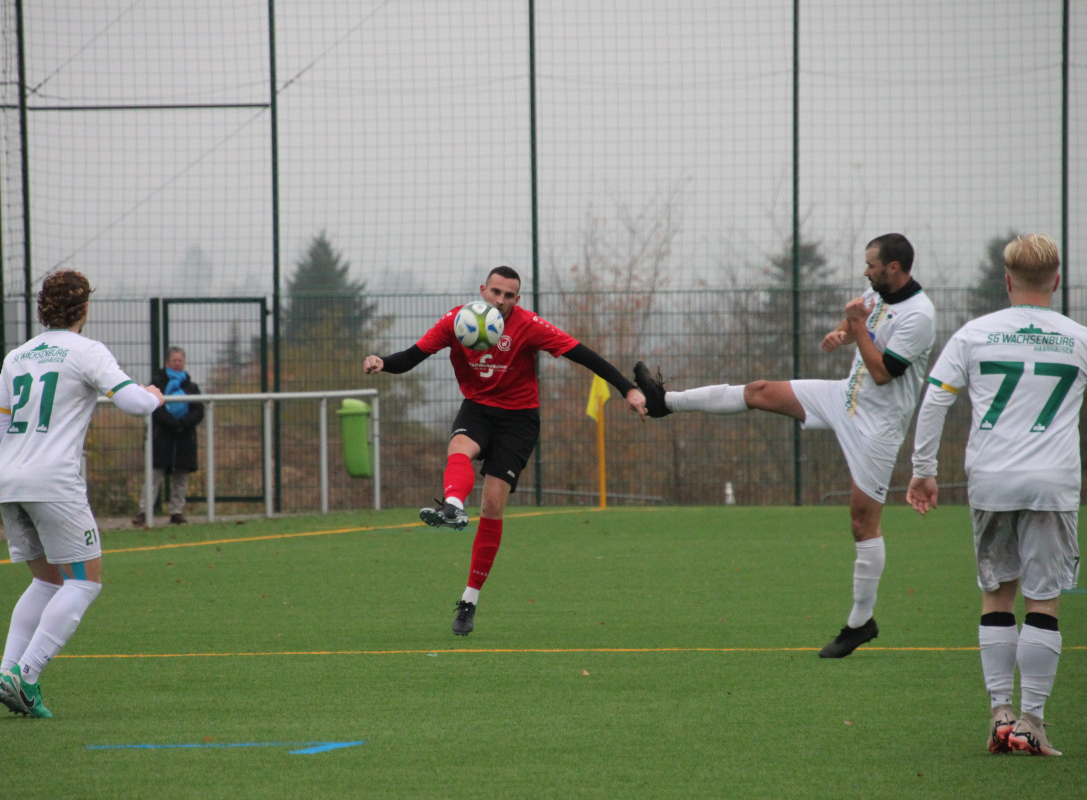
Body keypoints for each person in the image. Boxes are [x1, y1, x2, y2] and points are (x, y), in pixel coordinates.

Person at [634, 233, 935, 658]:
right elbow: (859, 332)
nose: (865, 271)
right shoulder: (876, 292)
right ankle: (666, 402)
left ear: (893, 268)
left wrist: (859, 327)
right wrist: (842, 333)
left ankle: (859, 623)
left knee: (862, 523)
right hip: (843, 396)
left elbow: (885, 372)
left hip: (878, 427)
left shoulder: (921, 315)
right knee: (758, 390)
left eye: (871, 265)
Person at [363, 265, 647, 636]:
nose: (500, 300)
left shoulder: (529, 326)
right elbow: (413, 356)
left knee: (494, 505)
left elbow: (584, 355)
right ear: (483, 290)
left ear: (517, 298)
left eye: (509, 295)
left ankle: (468, 602)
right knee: (459, 450)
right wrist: (382, 362)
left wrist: (627, 389)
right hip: (478, 408)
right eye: (495, 292)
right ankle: (453, 506)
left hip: (518, 420)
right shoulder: (457, 321)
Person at [906, 234, 1079, 757]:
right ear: (1055, 281)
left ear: (1007, 282)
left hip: (991, 480)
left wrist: (922, 469)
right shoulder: (1078, 338)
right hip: (1053, 483)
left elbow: (935, 401)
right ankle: (1033, 721)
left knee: (998, 593)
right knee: (1043, 600)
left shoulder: (974, 335)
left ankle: (1001, 711)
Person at [0, 270, 163, 718]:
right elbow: (136, 405)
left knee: (47, 580)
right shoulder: (86, 351)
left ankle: (5, 671)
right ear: (84, 308)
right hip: (53, 481)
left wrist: (28, 449)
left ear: (43, 308)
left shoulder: (18, 355)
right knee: (83, 580)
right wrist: (155, 395)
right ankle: (24, 677)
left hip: (9, 479)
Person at [132, 346, 203, 526]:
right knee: (154, 476)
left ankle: (177, 512)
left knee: (181, 478)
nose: (178, 364)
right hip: (161, 439)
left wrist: (183, 423)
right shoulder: (157, 384)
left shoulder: (191, 386)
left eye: (180, 361)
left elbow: (198, 410)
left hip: (185, 439)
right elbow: (154, 407)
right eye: (174, 361)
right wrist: (172, 423)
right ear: (167, 362)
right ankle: (144, 512)